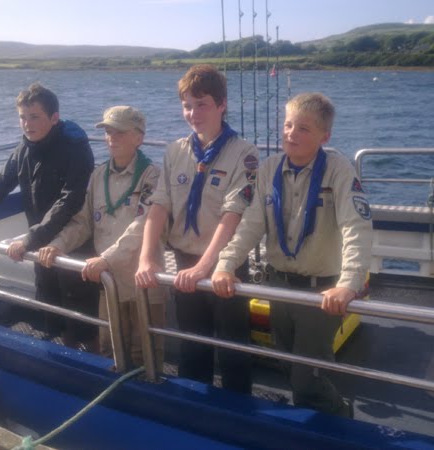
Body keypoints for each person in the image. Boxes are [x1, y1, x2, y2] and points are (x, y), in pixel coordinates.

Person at [211, 92, 373, 417]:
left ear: (324, 136)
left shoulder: (339, 172)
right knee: (285, 363)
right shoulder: (270, 168)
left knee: (306, 378)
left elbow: (357, 229)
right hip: (278, 285)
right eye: (287, 125)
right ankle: (312, 421)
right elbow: (251, 225)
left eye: (303, 128)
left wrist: (349, 284)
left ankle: (339, 419)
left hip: (321, 291)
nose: (291, 134)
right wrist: (225, 265)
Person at [135, 64, 259, 393]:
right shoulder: (176, 151)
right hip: (185, 261)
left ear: (222, 105)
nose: (193, 113)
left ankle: (239, 415)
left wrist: (207, 267)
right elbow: (159, 204)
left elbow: (233, 215)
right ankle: (194, 408)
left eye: (202, 104)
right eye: (187, 105)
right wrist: (148, 257)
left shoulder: (245, 154)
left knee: (234, 349)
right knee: (192, 345)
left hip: (225, 265)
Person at [0, 82, 94, 336]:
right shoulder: (24, 149)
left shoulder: (75, 149)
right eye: (23, 117)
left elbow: (70, 200)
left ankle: (85, 356)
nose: (28, 124)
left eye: (35, 117)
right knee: (49, 305)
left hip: (73, 242)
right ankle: (52, 352)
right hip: (40, 242)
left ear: (54, 118)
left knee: (79, 314)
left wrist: (30, 238)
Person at [38, 105, 167, 367]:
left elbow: (141, 227)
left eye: (119, 132)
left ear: (138, 137)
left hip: (142, 285)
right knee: (110, 350)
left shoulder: (153, 177)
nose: (112, 138)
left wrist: (105, 259)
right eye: (108, 131)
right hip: (109, 285)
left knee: (146, 356)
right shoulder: (98, 176)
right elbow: (83, 223)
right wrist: (57, 245)